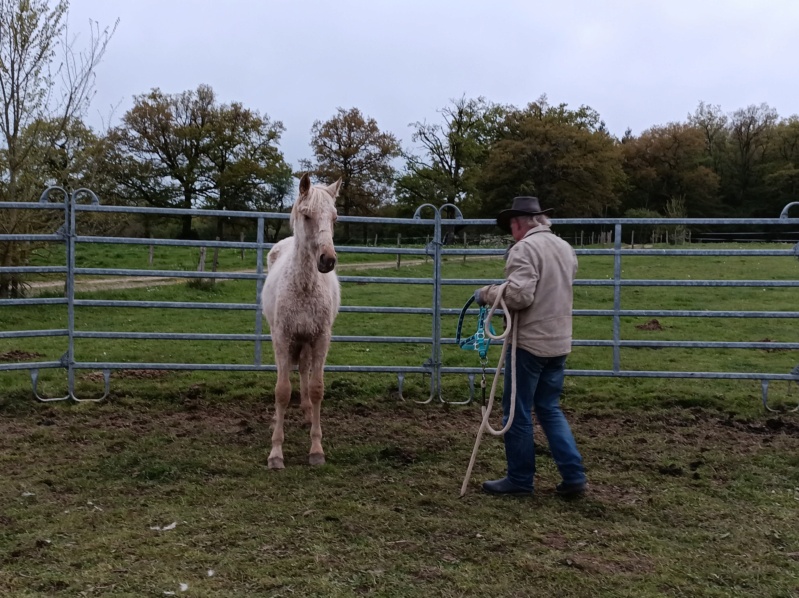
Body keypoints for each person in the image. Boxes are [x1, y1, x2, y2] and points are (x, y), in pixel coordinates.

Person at [473, 196, 586, 497]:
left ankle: (520, 479)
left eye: (512, 225)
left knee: (517, 411)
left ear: (520, 223)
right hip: (559, 341)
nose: (511, 231)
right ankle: (573, 476)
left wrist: (487, 293)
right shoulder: (564, 247)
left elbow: (521, 296)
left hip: (531, 343)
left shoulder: (524, 249)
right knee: (549, 408)